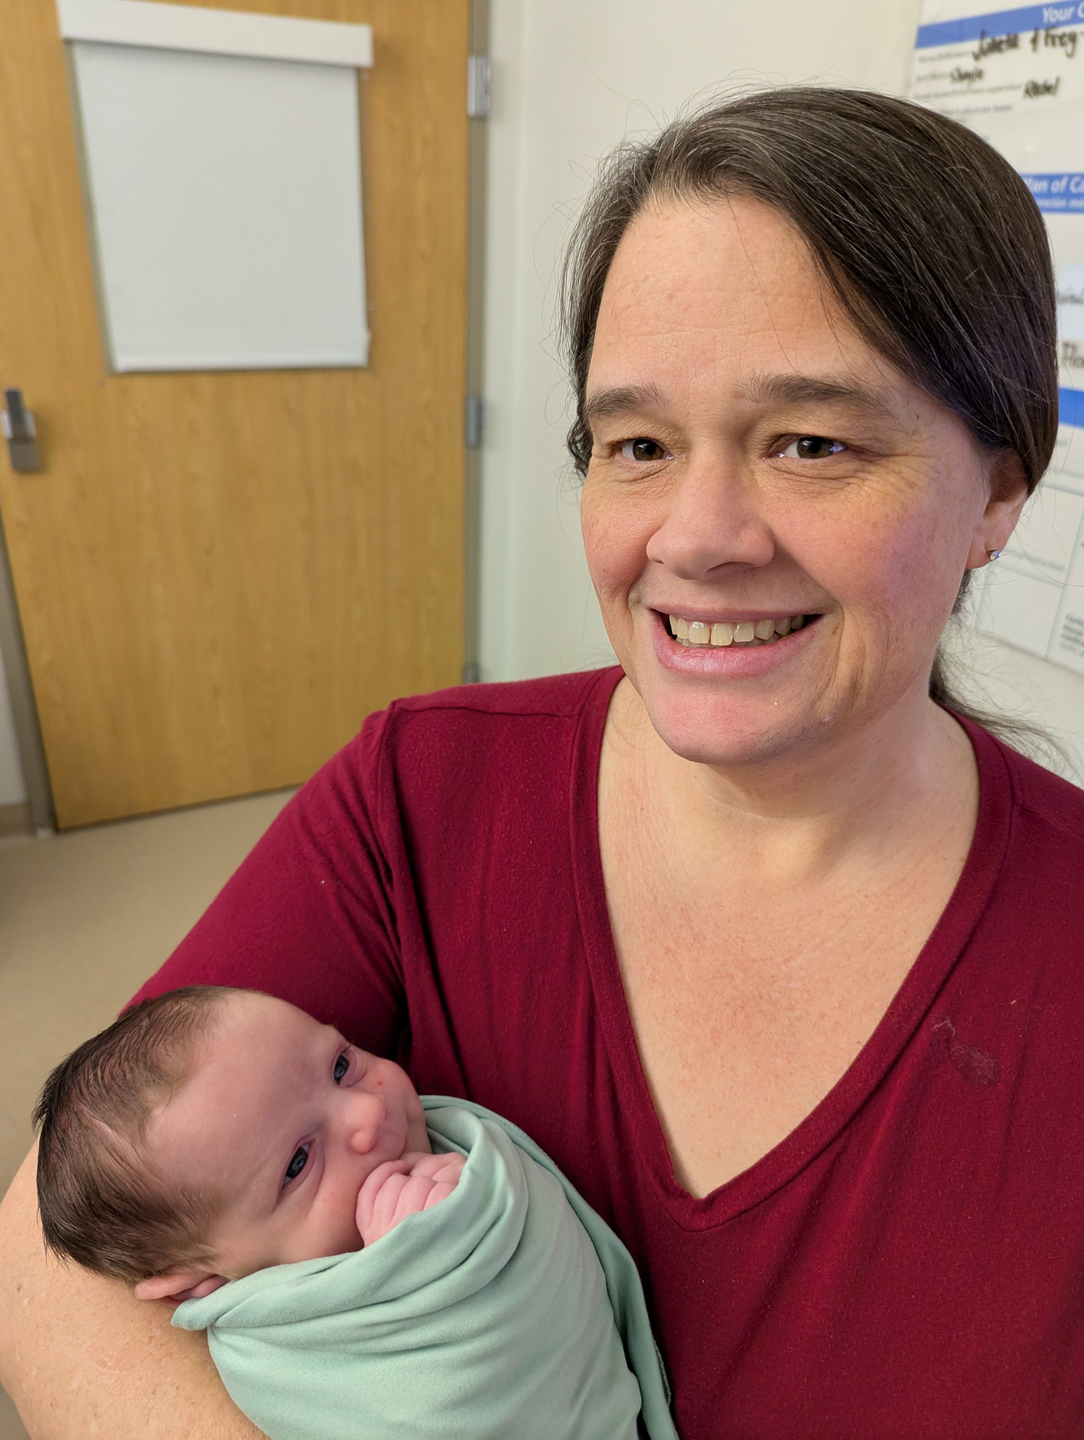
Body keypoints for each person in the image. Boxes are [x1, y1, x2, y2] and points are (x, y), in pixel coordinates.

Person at [3, 86, 1084, 1439]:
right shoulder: (423, 798)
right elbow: (58, 1248)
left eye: (811, 441)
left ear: (998, 487)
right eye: (637, 444)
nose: (694, 536)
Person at [32, 986, 676, 1440]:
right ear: (201, 1284)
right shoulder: (274, 1349)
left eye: (341, 1064)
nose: (368, 1114)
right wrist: (428, 1263)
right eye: (298, 1163)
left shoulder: (454, 1145)